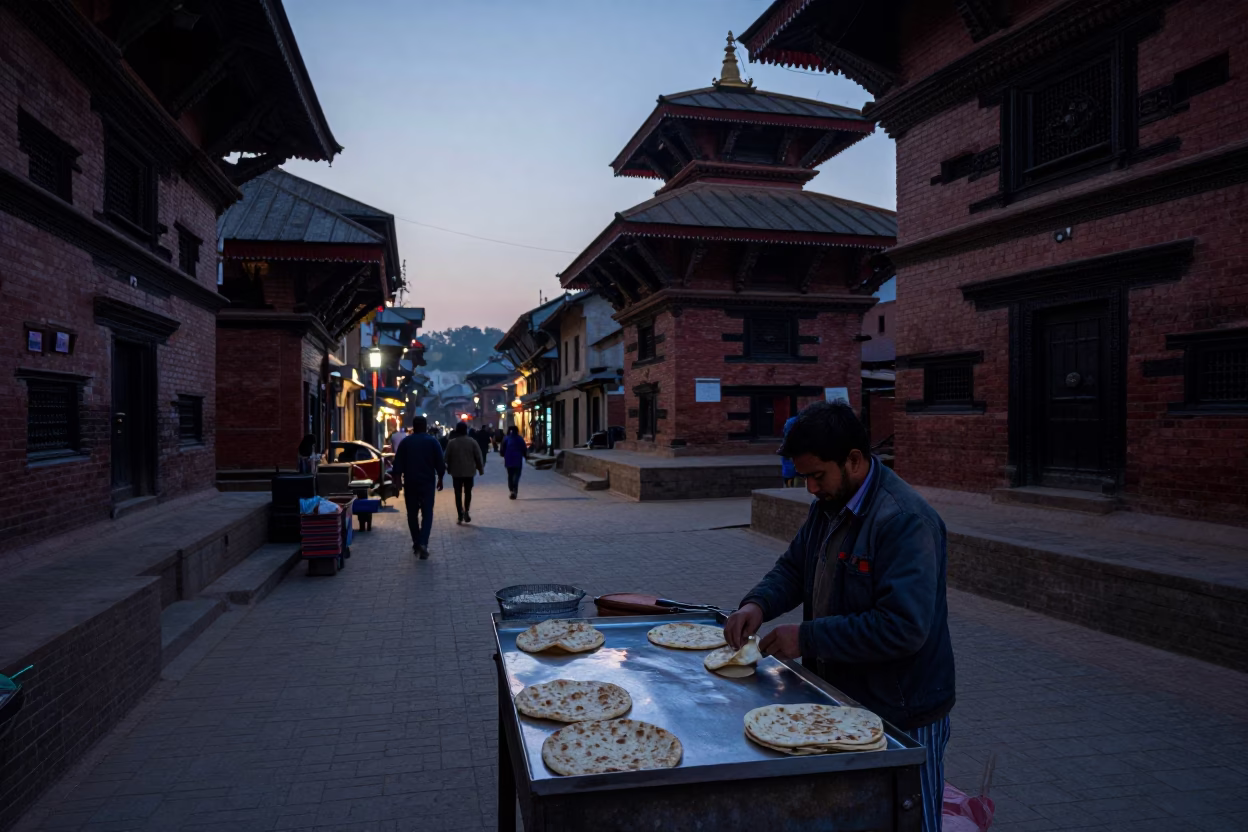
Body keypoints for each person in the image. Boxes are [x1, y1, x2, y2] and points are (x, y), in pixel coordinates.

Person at [723, 402, 954, 832]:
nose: (810, 488)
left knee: (908, 820)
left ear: (853, 460)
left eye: (817, 476)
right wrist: (757, 604)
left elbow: (903, 627)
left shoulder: (904, 521)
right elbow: (795, 567)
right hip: (844, 700)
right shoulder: (830, 503)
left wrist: (806, 639)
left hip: (903, 710)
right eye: (803, 477)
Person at [391, 415, 445, 559]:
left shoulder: (406, 442)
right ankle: (423, 542)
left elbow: (398, 465)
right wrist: (440, 478)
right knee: (427, 514)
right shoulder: (433, 442)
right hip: (427, 483)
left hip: (410, 482)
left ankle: (416, 541)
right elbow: (440, 463)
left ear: (413, 427)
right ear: (425, 426)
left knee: (412, 514)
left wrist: (397, 483)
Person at [444, 422, 484, 524]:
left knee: (457, 494)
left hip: (456, 472)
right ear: (466, 430)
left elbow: (446, 458)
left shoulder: (452, 443)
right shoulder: (472, 442)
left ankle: (460, 514)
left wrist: (447, 469)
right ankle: (466, 511)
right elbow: (478, 457)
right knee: (468, 492)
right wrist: (480, 469)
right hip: (469, 472)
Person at [500, 425, 528, 500]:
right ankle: (514, 489)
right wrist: (526, 456)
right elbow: (524, 448)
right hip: (517, 459)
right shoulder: (519, 438)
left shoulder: (506, 438)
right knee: (517, 475)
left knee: (510, 475)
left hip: (508, 459)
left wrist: (503, 454)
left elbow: (502, 448)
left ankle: (511, 490)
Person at [780, 414, 798, 487]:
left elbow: (785, 433)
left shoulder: (790, 422)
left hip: (789, 449)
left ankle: (789, 486)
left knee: (789, 471)